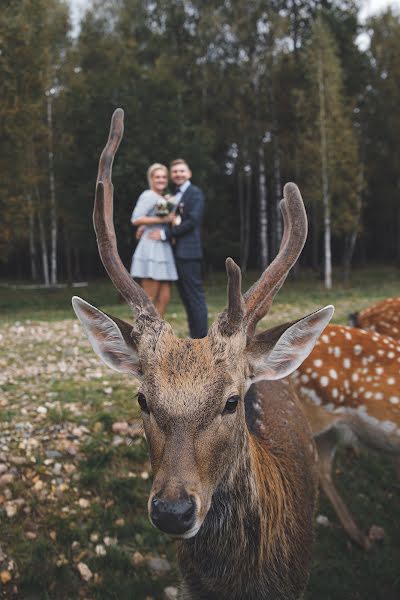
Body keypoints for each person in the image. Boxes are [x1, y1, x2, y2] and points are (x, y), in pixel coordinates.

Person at [149, 159, 208, 338]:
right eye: (175, 172)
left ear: (189, 173)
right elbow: (165, 218)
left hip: (189, 253)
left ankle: (201, 338)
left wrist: (166, 235)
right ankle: (194, 335)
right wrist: (147, 227)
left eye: (181, 171)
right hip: (175, 253)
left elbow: (192, 221)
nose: (178, 174)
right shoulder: (172, 195)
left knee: (195, 296)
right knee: (186, 297)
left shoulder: (195, 193)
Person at [130, 163, 177, 317]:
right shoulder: (147, 195)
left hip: (163, 246)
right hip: (151, 246)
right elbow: (136, 219)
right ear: (151, 178)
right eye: (157, 177)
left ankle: (158, 332)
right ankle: (143, 332)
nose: (161, 180)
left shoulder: (164, 197)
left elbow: (162, 219)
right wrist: (160, 220)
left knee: (164, 296)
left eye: (164, 177)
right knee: (149, 297)